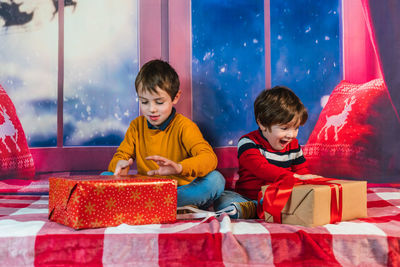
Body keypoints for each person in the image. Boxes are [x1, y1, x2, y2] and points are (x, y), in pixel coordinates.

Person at [104, 59, 225, 208]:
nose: (151, 109)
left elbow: (209, 158)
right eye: (144, 102)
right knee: (106, 177)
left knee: (216, 180)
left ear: (175, 97)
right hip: (146, 190)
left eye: (159, 102)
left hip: (178, 191)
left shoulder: (185, 126)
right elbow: (120, 158)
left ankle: (149, 205)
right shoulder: (136, 126)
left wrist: (179, 168)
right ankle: (157, 205)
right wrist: (119, 165)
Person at [214, 86, 321, 219]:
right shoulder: (248, 142)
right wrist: (293, 177)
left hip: (278, 195)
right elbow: (261, 168)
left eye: (296, 128)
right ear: (263, 123)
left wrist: (309, 181)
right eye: (284, 128)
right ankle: (254, 208)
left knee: (299, 198)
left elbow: (301, 171)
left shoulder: (293, 145)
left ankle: (260, 209)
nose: (291, 134)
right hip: (247, 197)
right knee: (224, 199)